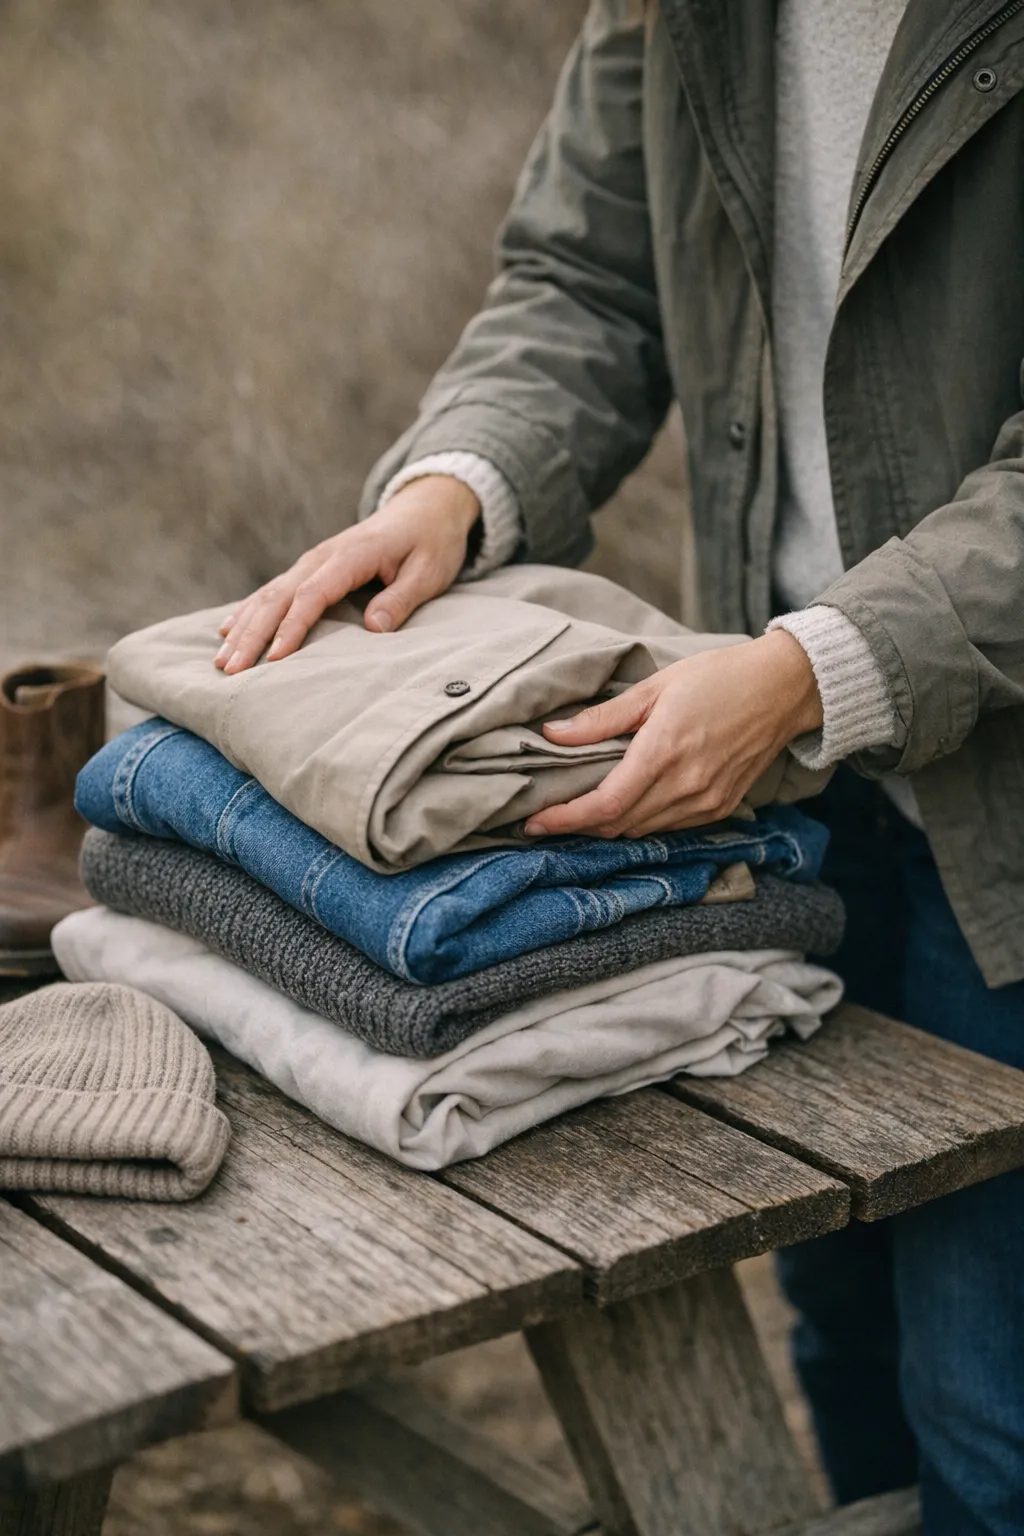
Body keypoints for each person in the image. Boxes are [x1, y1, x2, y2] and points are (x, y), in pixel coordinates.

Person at [214, 4, 1024, 1530]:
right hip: (779, 802)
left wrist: (807, 672)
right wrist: (464, 481)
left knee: (994, 1414)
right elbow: (585, 278)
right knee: (842, 1339)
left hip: (980, 817)